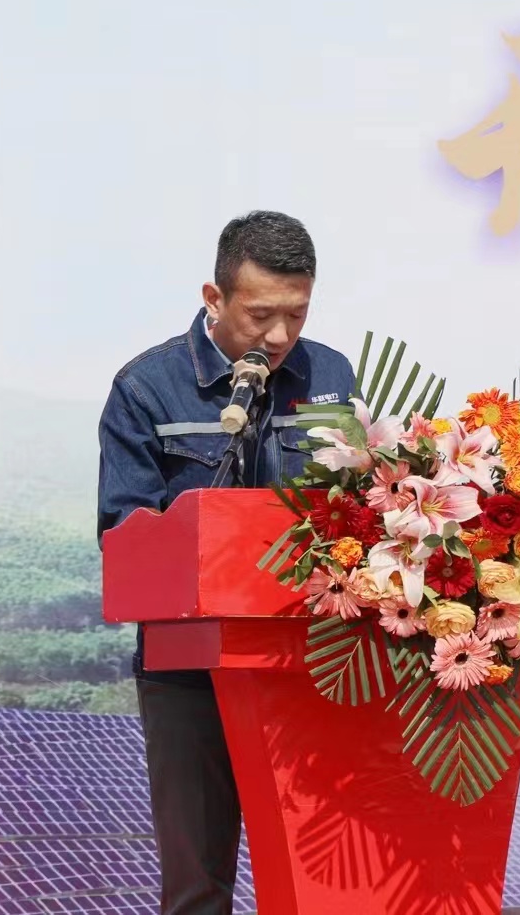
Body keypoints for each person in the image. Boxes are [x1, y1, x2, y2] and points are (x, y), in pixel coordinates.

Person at [96, 211, 357, 915]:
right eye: (260, 315)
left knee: (320, 877)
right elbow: (122, 534)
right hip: (187, 673)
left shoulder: (330, 375)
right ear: (214, 298)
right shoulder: (146, 387)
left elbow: (356, 507)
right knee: (197, 888)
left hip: (309, 664)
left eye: (296, 315)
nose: (279, 336)